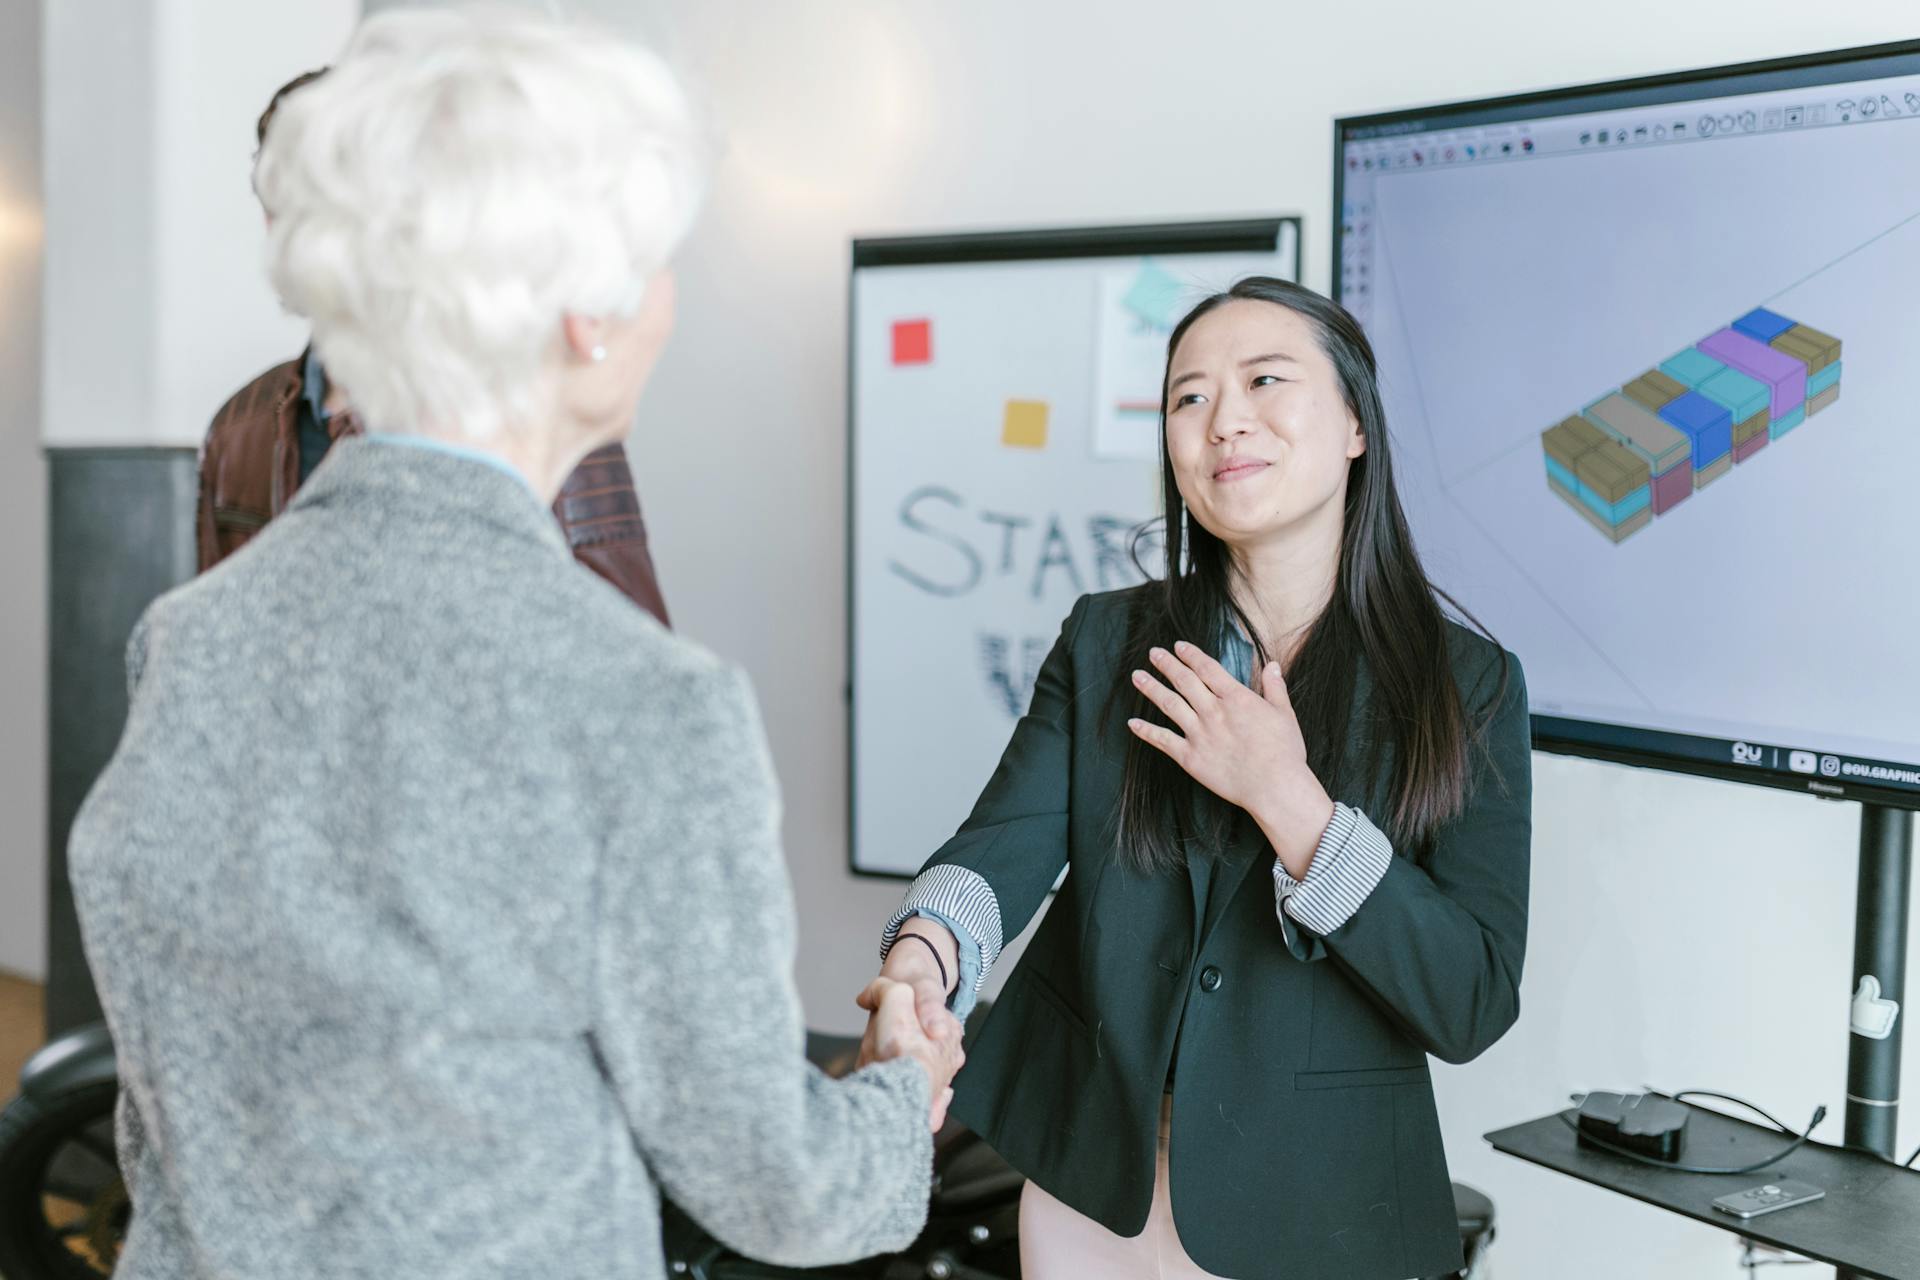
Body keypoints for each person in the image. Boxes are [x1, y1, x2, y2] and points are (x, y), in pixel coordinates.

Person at [66, 9, 960, 1279]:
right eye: (656, 262)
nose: (664, 300)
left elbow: (167, 1111)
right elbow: (785, 1190)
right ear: (588, 316)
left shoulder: (184, 641)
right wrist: (899, 1092)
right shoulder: (650, 703)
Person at [863, 277, 1532, 1279]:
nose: (1225, 421)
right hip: (1096, 1185)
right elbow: (999, 847)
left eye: (1265, 379)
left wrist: (1292, 801)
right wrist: (922, 958)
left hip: (1324, 1210)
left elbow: (1471, 997)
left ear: (1354, 421)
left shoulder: (1467, 685)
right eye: (1188, 396)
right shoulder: (1106, 639)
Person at [197, 67, 672, 624]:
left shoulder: (530, 411)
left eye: (327, 199)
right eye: (281, 199)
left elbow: (631, 649)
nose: (300, 230)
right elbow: (210, 654)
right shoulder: (238, 430)